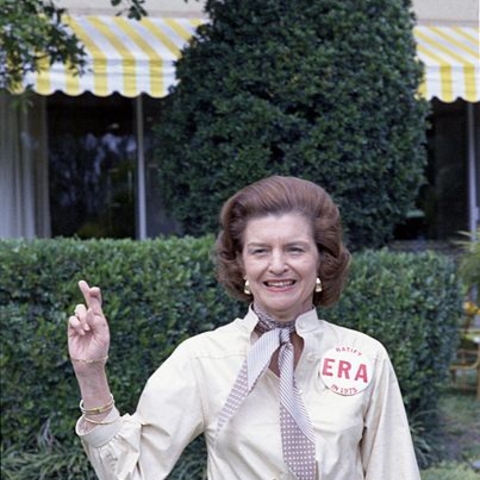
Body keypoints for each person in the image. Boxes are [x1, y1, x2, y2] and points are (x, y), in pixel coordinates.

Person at [68, 175, 421, 480]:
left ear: (321, 260)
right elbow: (130, 471)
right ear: (241, 265)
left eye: (295, 249)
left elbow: (395, 469)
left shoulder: (365, 356)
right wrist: (91, 373)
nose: (278, 265)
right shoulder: (202, 358)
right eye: (260, 251)